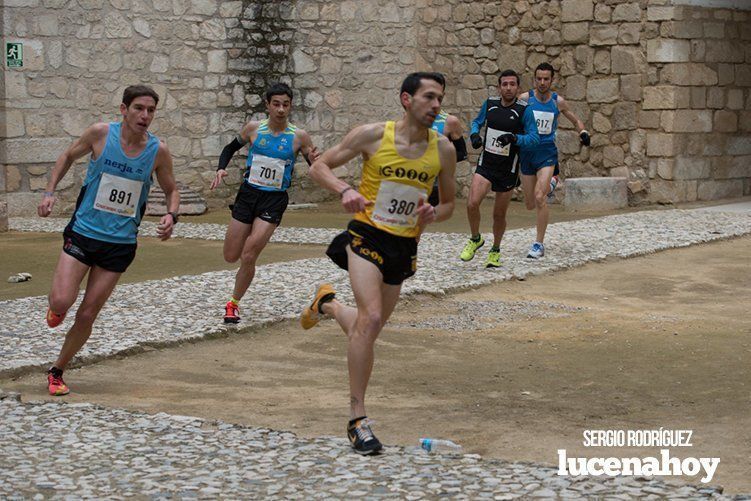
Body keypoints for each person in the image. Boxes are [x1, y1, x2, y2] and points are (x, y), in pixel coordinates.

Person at [300, 72, 456, 455]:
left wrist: (433, 213)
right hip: (366, 235)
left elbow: (450, 203)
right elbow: (319, 166)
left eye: (440, 99)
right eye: (429, 98)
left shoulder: (444, 150)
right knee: (369, 320)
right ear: (407, 99)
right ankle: (358, 419)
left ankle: (328, 304)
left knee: (368, 329)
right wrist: (345, 189)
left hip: (404, 246)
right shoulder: (372, 135)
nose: (437, 106)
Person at [38, 85, 179, 396]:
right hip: (83, 233)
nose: (145, 116)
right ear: (123, 110)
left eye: (151, 110)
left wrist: (171, 215)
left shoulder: (158, 151)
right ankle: (57, 308)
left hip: (120, 244)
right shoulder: (101, 134)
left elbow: (172, 189)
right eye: (139, 108)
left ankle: (57, 370)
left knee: (88, 313)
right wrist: (49, 192)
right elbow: (67, 156)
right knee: (62, 301)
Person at [210, 83, 319, 323]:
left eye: (286, 105)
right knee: (231, 255)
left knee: (249, 254)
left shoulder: (299, 136)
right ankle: (242, 267)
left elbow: (316, 167)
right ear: (268, 105)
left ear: (290, 106)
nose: (281, 109)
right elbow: (230, 148)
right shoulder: (253, 129)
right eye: (276, 104)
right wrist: (220, 169)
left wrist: (315, 161)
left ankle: (233, 303)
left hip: (274, 199)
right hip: (248, 195)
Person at [461, 69, 540, 267]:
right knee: (471, 203)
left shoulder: (524, 110)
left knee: (498, 214)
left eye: (512, 84)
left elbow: (534, 138)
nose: (508, 88)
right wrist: (474, 135)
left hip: (508, 168)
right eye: (504, 84)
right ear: (499, 87)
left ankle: (495, 250)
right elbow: (477, 122)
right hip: (486, 163)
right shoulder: (490, 105)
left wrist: (514, 138)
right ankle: (475, 238)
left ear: (518, 87)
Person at [519, 62, 590, 259]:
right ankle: (550, 185)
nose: (542, 82)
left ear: (552, 80)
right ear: (534, 79)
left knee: (540, 197)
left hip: (546, 153)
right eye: (539, 79)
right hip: (527, 153)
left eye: (546, 79)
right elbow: (512, 116)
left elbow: (575, 120)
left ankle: (538, 244)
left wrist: (582, 131)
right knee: (530, 203)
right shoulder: (525, 99)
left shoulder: (558, 101)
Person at [427, 109, 466, 207]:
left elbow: (462, 153)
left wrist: (441, 160)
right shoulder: (412, 118)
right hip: (414, 179)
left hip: (435, 182)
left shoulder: (449, 121)